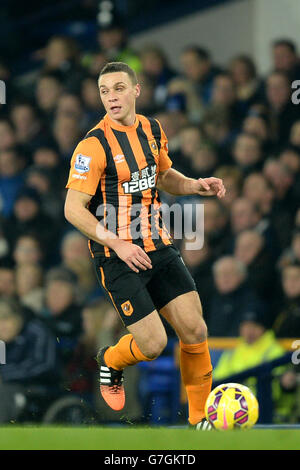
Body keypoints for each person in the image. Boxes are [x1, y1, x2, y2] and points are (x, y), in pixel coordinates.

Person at [64, 61, 226, 429]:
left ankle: (200, 422)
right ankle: (111, 360)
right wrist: (118, 244)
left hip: (159, 245)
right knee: (152, 346)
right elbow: (73, 209)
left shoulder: (152, 128)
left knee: (195, 331)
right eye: (105, 91)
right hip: (117, 256)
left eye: (118, 88)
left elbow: (164, 175)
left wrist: (195, 184)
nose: (111, 97)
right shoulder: (93, 145)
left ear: (136, 90)